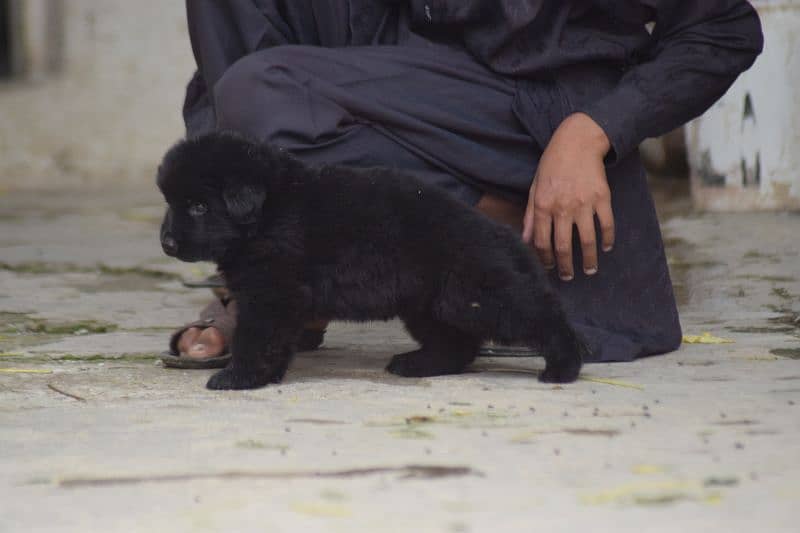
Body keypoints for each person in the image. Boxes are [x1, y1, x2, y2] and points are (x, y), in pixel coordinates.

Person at [165, 0, 763, 367]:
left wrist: (593, 133)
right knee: (245, 80)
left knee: (258, 91)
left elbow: (723, 29)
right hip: (422, 81)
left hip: (539, 114)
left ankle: (481, 235)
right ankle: (281, 275)